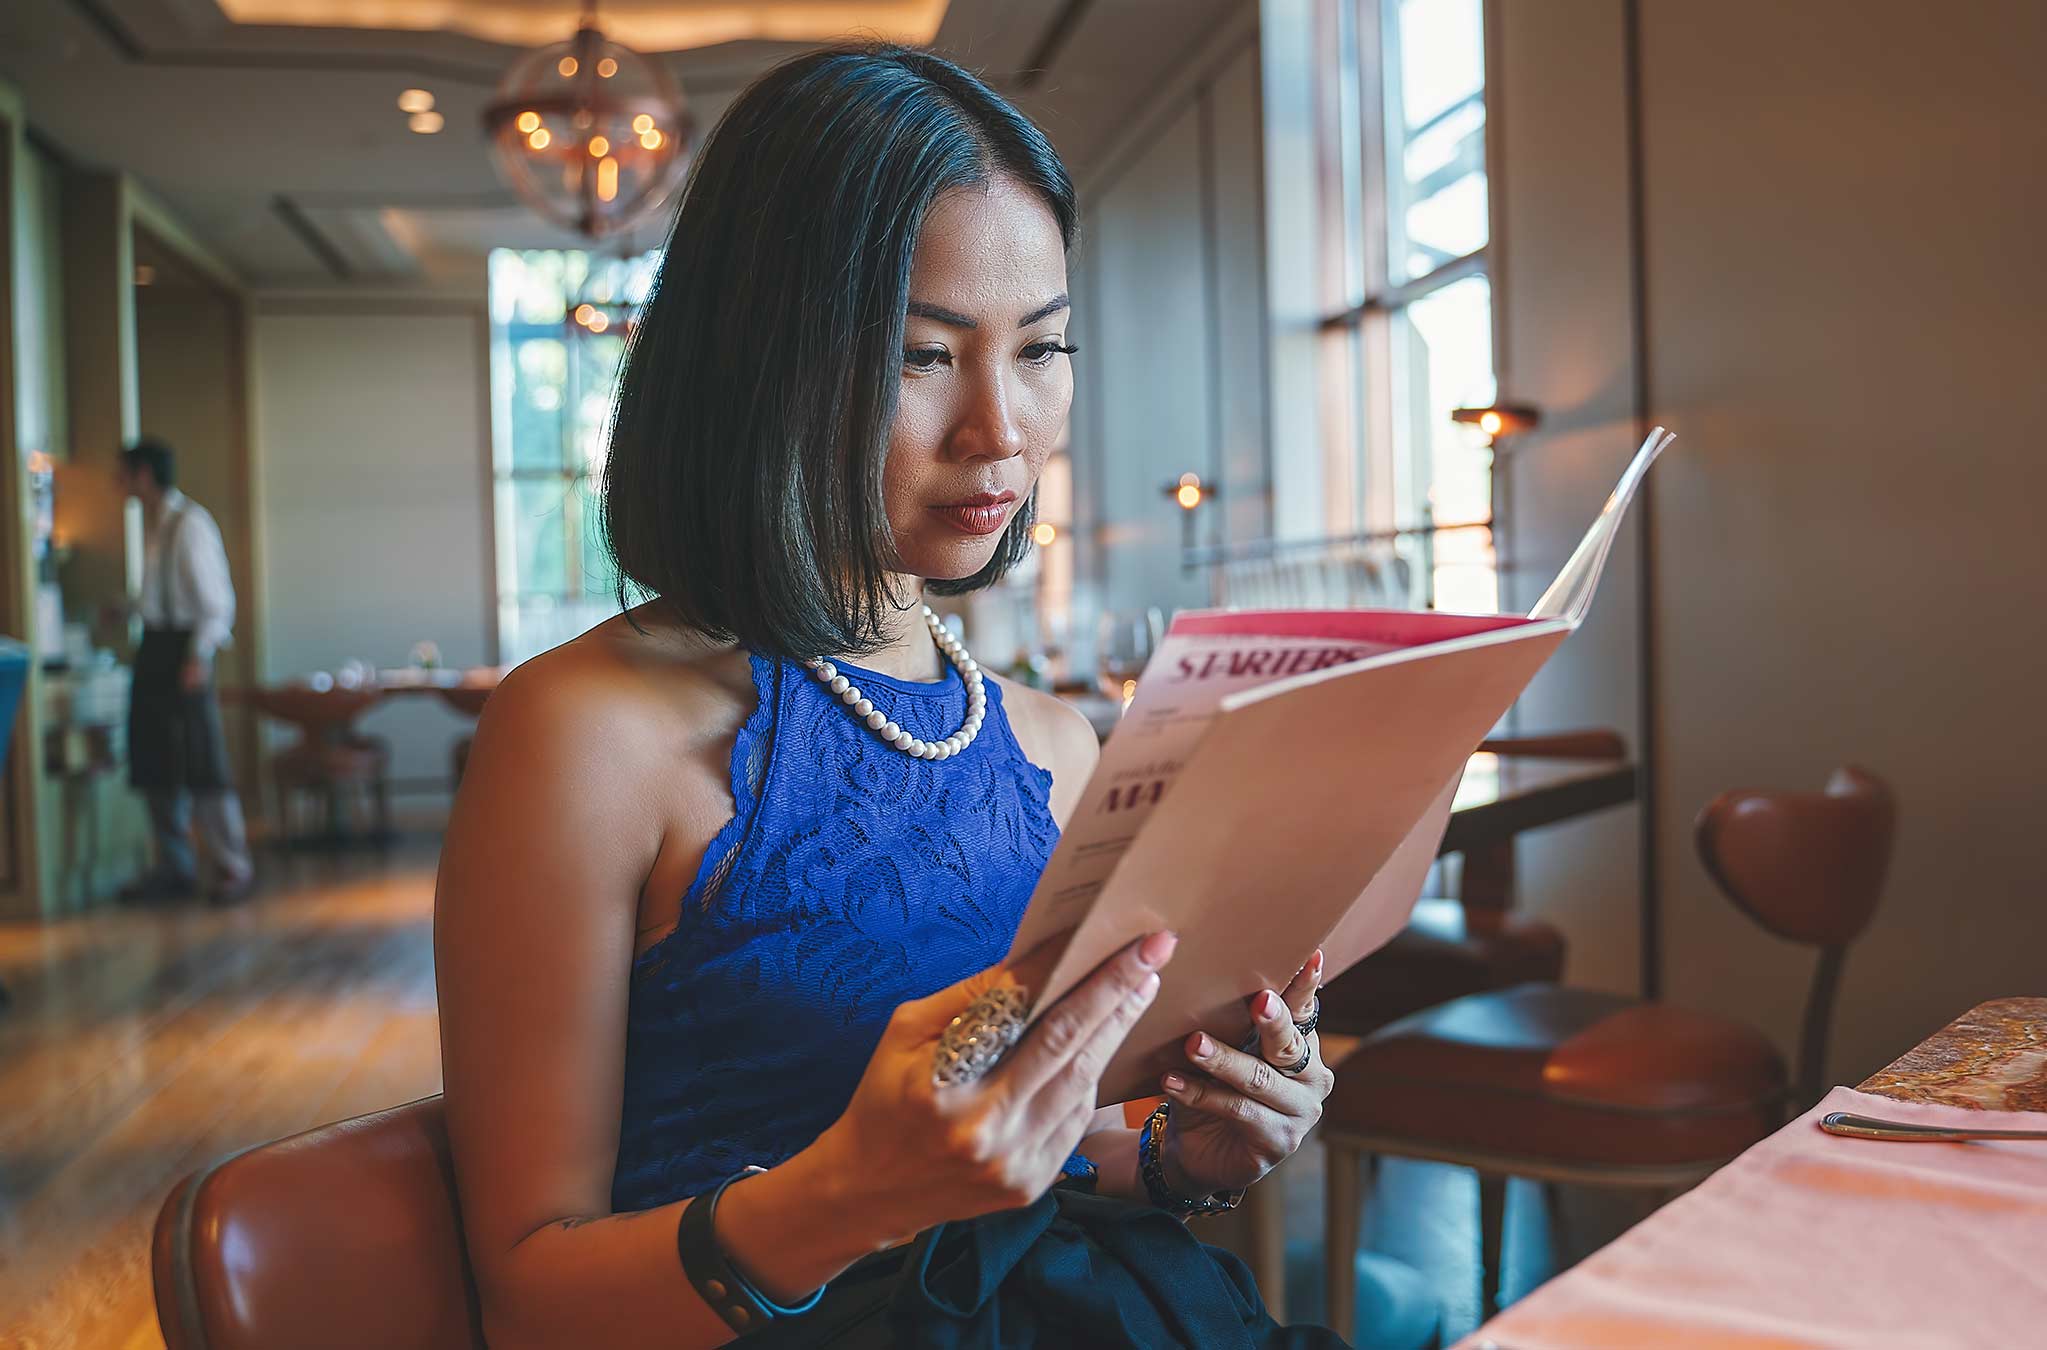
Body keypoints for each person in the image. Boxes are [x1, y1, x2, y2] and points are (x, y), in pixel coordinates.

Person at [435, 47, 1343, 1349]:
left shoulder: (1049, 736)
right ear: (761, 363)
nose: (1002, 428)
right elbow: (528, 1302)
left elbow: (1051, 1151)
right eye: (922, 356)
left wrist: (1186, 1150)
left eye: (1042, 348)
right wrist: (841, 1197)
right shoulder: (585, 732)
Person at [116, 438, 254, 906]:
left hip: (184, 654)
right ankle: (175, 866)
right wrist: (126, 610)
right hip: (155, 650)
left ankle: (232, 865)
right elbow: (157, 597)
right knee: (156, 761)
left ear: (143, 476)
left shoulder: (190, 524)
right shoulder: (154, 527)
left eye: (124, 474)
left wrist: (198, 656)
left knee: (202, 760)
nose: (119, 484)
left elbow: (217, 605)